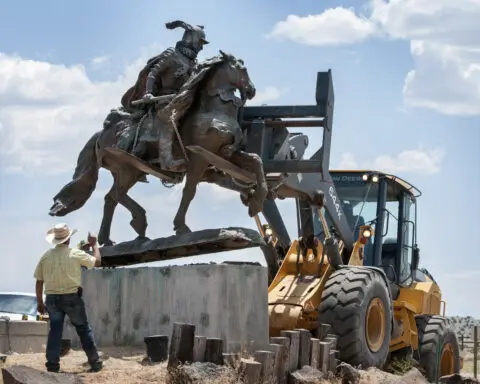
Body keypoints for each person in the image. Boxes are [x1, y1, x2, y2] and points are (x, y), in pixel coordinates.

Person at [118, 20, 209, 172]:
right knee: (169, 118)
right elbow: (154, 73)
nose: (201, 46)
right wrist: (148, 92)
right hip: (165, 99)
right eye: (200, 42)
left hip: (183, 99)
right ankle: (167, 160)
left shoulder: (194, 63)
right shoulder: (172, 54)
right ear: (191, 39)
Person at [34, 223, 103, 373]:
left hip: (52, 299)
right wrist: (94, 245)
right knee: (83, 329)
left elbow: (39, 281)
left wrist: (39, 301)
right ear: (68, 239)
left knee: (55, 331)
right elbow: (97, 261)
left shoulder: (45, 256)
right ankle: (95, 362)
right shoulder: (75, 253)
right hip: (72, 297)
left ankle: (52, 365)